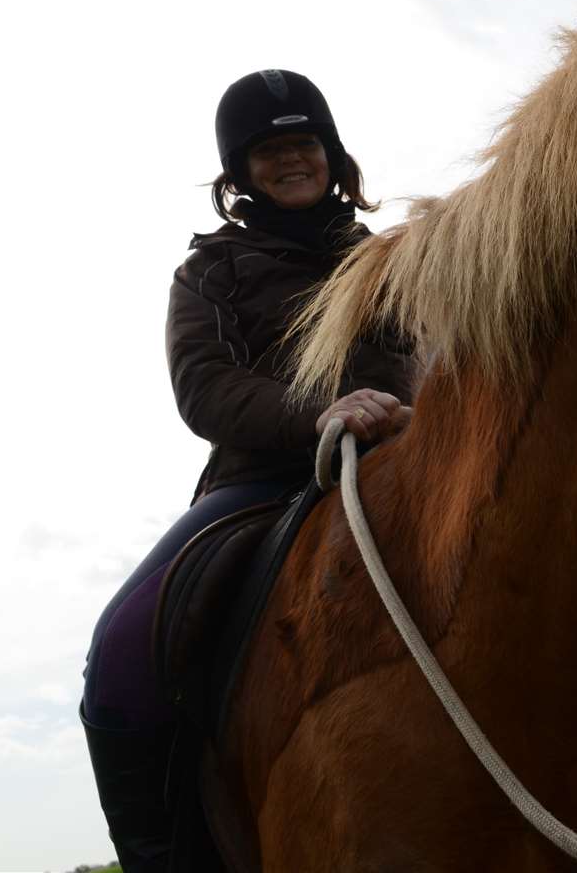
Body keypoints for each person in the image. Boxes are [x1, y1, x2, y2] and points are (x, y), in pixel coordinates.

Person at [79, 69, 416, 871]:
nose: (290, 160)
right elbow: (205, 386)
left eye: (304, 143)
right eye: (268, 150)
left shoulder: (398, 260)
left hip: (408, 468)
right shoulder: (208, 274)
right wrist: (320, 415)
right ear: (239, 172)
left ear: (332, 155)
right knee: (120, 658)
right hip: (261, 487)